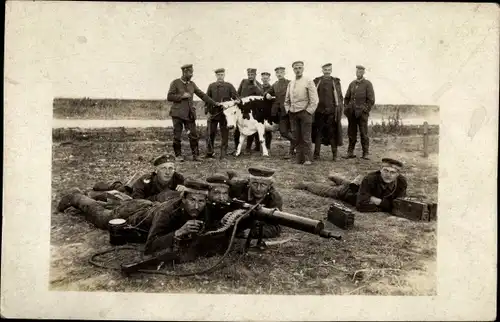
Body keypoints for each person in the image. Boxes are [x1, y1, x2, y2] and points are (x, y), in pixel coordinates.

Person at [294, 158, 408, 212]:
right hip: (351, 194)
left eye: (393, 172)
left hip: (360, 189)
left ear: (398, 174)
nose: (388, 175)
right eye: (385, 171)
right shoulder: (370, 179)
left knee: (349, 183)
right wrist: (387, 206)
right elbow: (361, 206)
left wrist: (378, 201)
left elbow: (400, 205)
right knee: (331, 191)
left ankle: (335, 178)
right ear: (380, 169)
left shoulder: (401, 182)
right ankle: (306, 184)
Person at [167, 64, 222, 162]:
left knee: (193, 135)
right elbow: (169, 97)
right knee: (177, 136)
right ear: (184, 72)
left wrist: (214, 103)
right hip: (177, 115)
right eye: (189, 73)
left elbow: (202, 95)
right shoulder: (175, 83)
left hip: (189, 114)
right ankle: (178, 155)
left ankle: (196, 155)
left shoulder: (192, 84)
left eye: (192, 72)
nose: (191, 75)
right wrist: (181, 96)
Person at [87, 154, 185, 203]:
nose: (168, 172)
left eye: (171, 168)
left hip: (146, 198)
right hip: (130, 193)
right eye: (163, 168)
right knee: (116, 194)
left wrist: (186, 189)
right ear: (156, 170)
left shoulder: (178, 178)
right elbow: (136, 200)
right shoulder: (146, 181)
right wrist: (158, 198)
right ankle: (96, 191)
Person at [226, 166, 283, 238]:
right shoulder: (238, 188)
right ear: (249, 182)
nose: (258, 188)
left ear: (270, 185)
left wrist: (253, 232)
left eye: (263, 185)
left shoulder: (274, 198)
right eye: (255, 183)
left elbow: (276, 227)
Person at [284, 61, 319, 165]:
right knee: (296, 137)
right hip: (293, 114)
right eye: (295, 68)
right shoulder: (291, 83)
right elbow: (286, 100)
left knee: (306, 137)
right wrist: (288, 110)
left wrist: (308, 112)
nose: (298, 70)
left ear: (303, 69)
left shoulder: (308, 81)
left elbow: (315, 100)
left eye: (299, 68)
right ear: (293, 70)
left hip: (305, 113)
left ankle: (308, 159)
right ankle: (299, 159)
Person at [204, 68, 240, 160]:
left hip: (225, 116)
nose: (220, 76)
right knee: (210, 133)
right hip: (213, 113)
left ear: (224, 75)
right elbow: (207, 99)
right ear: (216, 76)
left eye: (222, 75)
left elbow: (236, 97)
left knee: (225, 134)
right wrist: (207, 110)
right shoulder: (211, 86)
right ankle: (209, 152)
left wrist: (235, 101)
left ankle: (223, 154)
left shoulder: (229, 86)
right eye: (218, 75)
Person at [312, 63, 344, 161]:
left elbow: (339, 97)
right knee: (318, 133)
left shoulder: (335, 81)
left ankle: (335, 155)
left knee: (332, 133)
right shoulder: (317, 81)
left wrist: (337, 111)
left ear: (331, 70)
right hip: (319, 112)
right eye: (325, 69)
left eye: (329, 69)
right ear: (322, 70)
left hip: (331, 113)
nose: (327, 71)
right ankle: (316, 155)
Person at [343, 65, 375, 160]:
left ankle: (366, 153)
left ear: (364, 72)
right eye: (357, 71)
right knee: (351, 133)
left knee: (363, 133)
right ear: (355, 72)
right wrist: (347, 108)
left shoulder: (368, 84)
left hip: (362, 114)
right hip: (352, 113)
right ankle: (350, 152)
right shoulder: (352, 84)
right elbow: (346, 98)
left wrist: (365, 110)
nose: (358, 73)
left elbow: (371, 100)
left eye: (360, 71)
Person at [265, 66, 295, 159]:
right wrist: (267, 94)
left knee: (284, 132)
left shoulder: (290, 83)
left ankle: (294, 145)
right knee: (271, 130)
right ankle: (292, 149)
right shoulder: (275, 84)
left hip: (286, 111)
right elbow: (267, 92)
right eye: (277, 73)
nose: (279, 74)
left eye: (281, 72)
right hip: (275, 112)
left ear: (284, 73)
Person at [233, 68, 264, 154]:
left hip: (251, 111)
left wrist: (255, 85)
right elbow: (237, 94)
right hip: (241, 109)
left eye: (252, 75)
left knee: (251, 129)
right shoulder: (243, 81)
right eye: (249, 74)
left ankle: (248, 148)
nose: (250, 76)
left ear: (255, 75)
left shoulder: (258, 84)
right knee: (238, 129)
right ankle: (237, 148)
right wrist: (237, 101)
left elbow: (262, 94)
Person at [248, 72, 273, 152]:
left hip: (268, 110)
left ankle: (267, 147)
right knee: (256, 128)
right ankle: (257, 147)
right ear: (261, 79)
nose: (265, 80)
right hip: (259, 111)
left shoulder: (272, 87)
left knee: (268, 130)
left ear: (269, 79)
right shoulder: (259, 87)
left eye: (266, 78)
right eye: (263, 78)